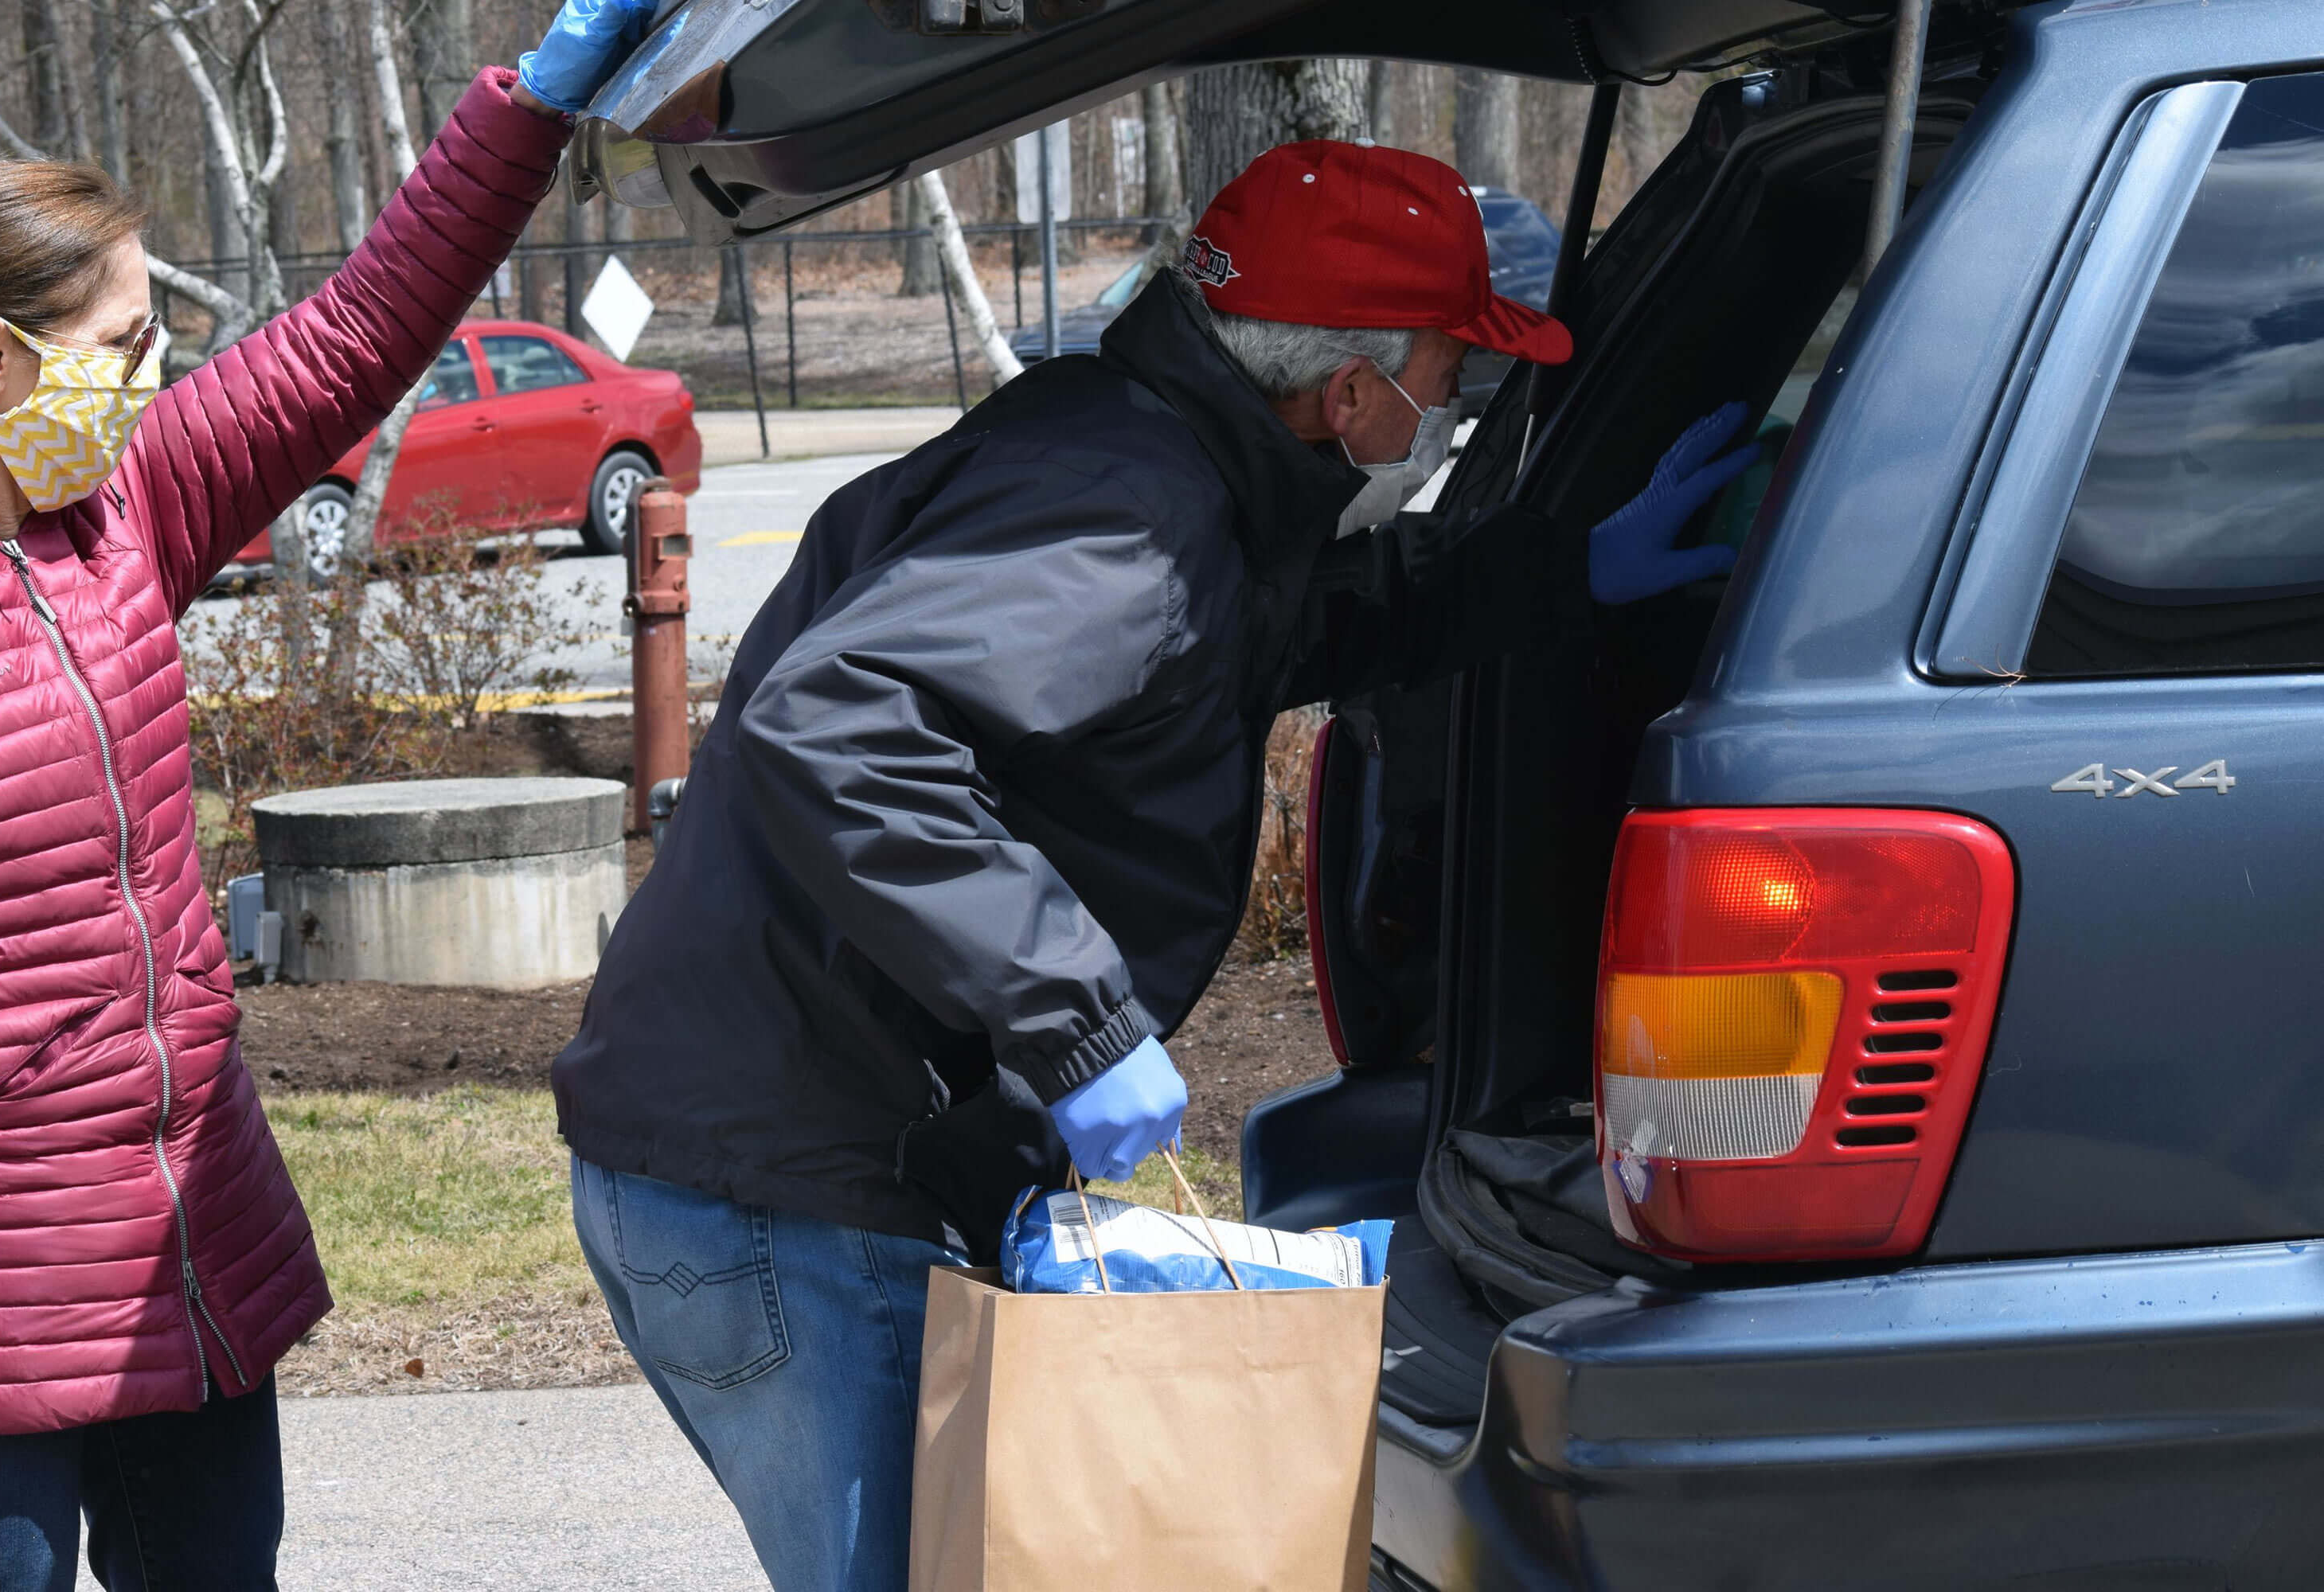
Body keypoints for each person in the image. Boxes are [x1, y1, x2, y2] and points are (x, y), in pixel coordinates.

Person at [551, 140, 1759, 1589]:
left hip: (772, 1147)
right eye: (1450, 369)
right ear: (1352, 391)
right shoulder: (1129, 517)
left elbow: (1248, 636)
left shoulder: (1154, 461)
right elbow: (841, 722)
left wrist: (1556, 572)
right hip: (790, 1192)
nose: (1454, 405)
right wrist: (1078, 1023)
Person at [0, 5, 643, 1578]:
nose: (145, 378)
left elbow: (354, 338)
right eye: (118, 346)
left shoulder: (123, 513)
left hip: (191, 1249)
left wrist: (522, 114)